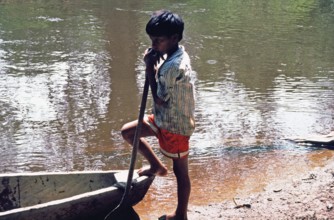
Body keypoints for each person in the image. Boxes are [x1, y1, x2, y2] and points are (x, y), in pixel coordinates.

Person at [121, 10, 195, 220]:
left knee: (180, 172)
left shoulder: (172, 67)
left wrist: (149, 71)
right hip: (162, 116)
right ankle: (156, 166)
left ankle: (181, 215)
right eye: (152, 40)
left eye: (158, 40)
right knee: (129, 133)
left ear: (174, 38)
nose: (153, 45)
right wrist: (156, 59)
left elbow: (160, 98)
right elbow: (162, 103)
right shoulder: (175, 52)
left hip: (176, 126)